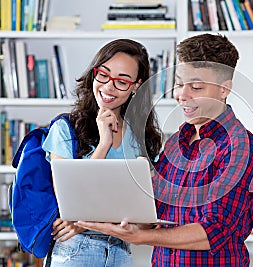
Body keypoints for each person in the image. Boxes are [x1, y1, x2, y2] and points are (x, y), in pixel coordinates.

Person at [76, 33, 253, 266]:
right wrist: (107, 222)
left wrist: (141, 237)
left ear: (224, 90)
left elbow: (215, 229)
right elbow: (153, 210)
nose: (182, 95)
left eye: (196, 87)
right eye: (178, 84)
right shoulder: (176, 142)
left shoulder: (241, 146)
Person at [42, 39, 162, 266]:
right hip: (76, 249)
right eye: (103, 74)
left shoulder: (143, 139)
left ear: (136, 86)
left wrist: (89, 219)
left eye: (122, 81)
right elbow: (72, 201)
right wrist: (104, 143)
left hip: (122, 251)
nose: (108, 87)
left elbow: (147, 217)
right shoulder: (65, 129)